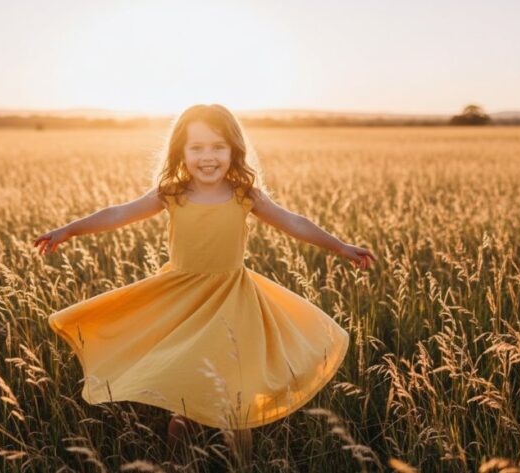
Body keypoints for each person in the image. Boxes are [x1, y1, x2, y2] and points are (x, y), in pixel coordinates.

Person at [34, 104, 376, 467]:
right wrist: (70, 229)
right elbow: (119, 212)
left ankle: (241, 466)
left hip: (233, 303)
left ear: (234, 150)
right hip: (183, 304)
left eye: (217, 147)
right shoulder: (172, 193)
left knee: (237, 400)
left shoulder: (246, 195)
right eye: (196, 148)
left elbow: (294, 222)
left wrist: (340, 246)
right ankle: (176, 464)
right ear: (181, 152)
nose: (208, 157)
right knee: (183, 401)